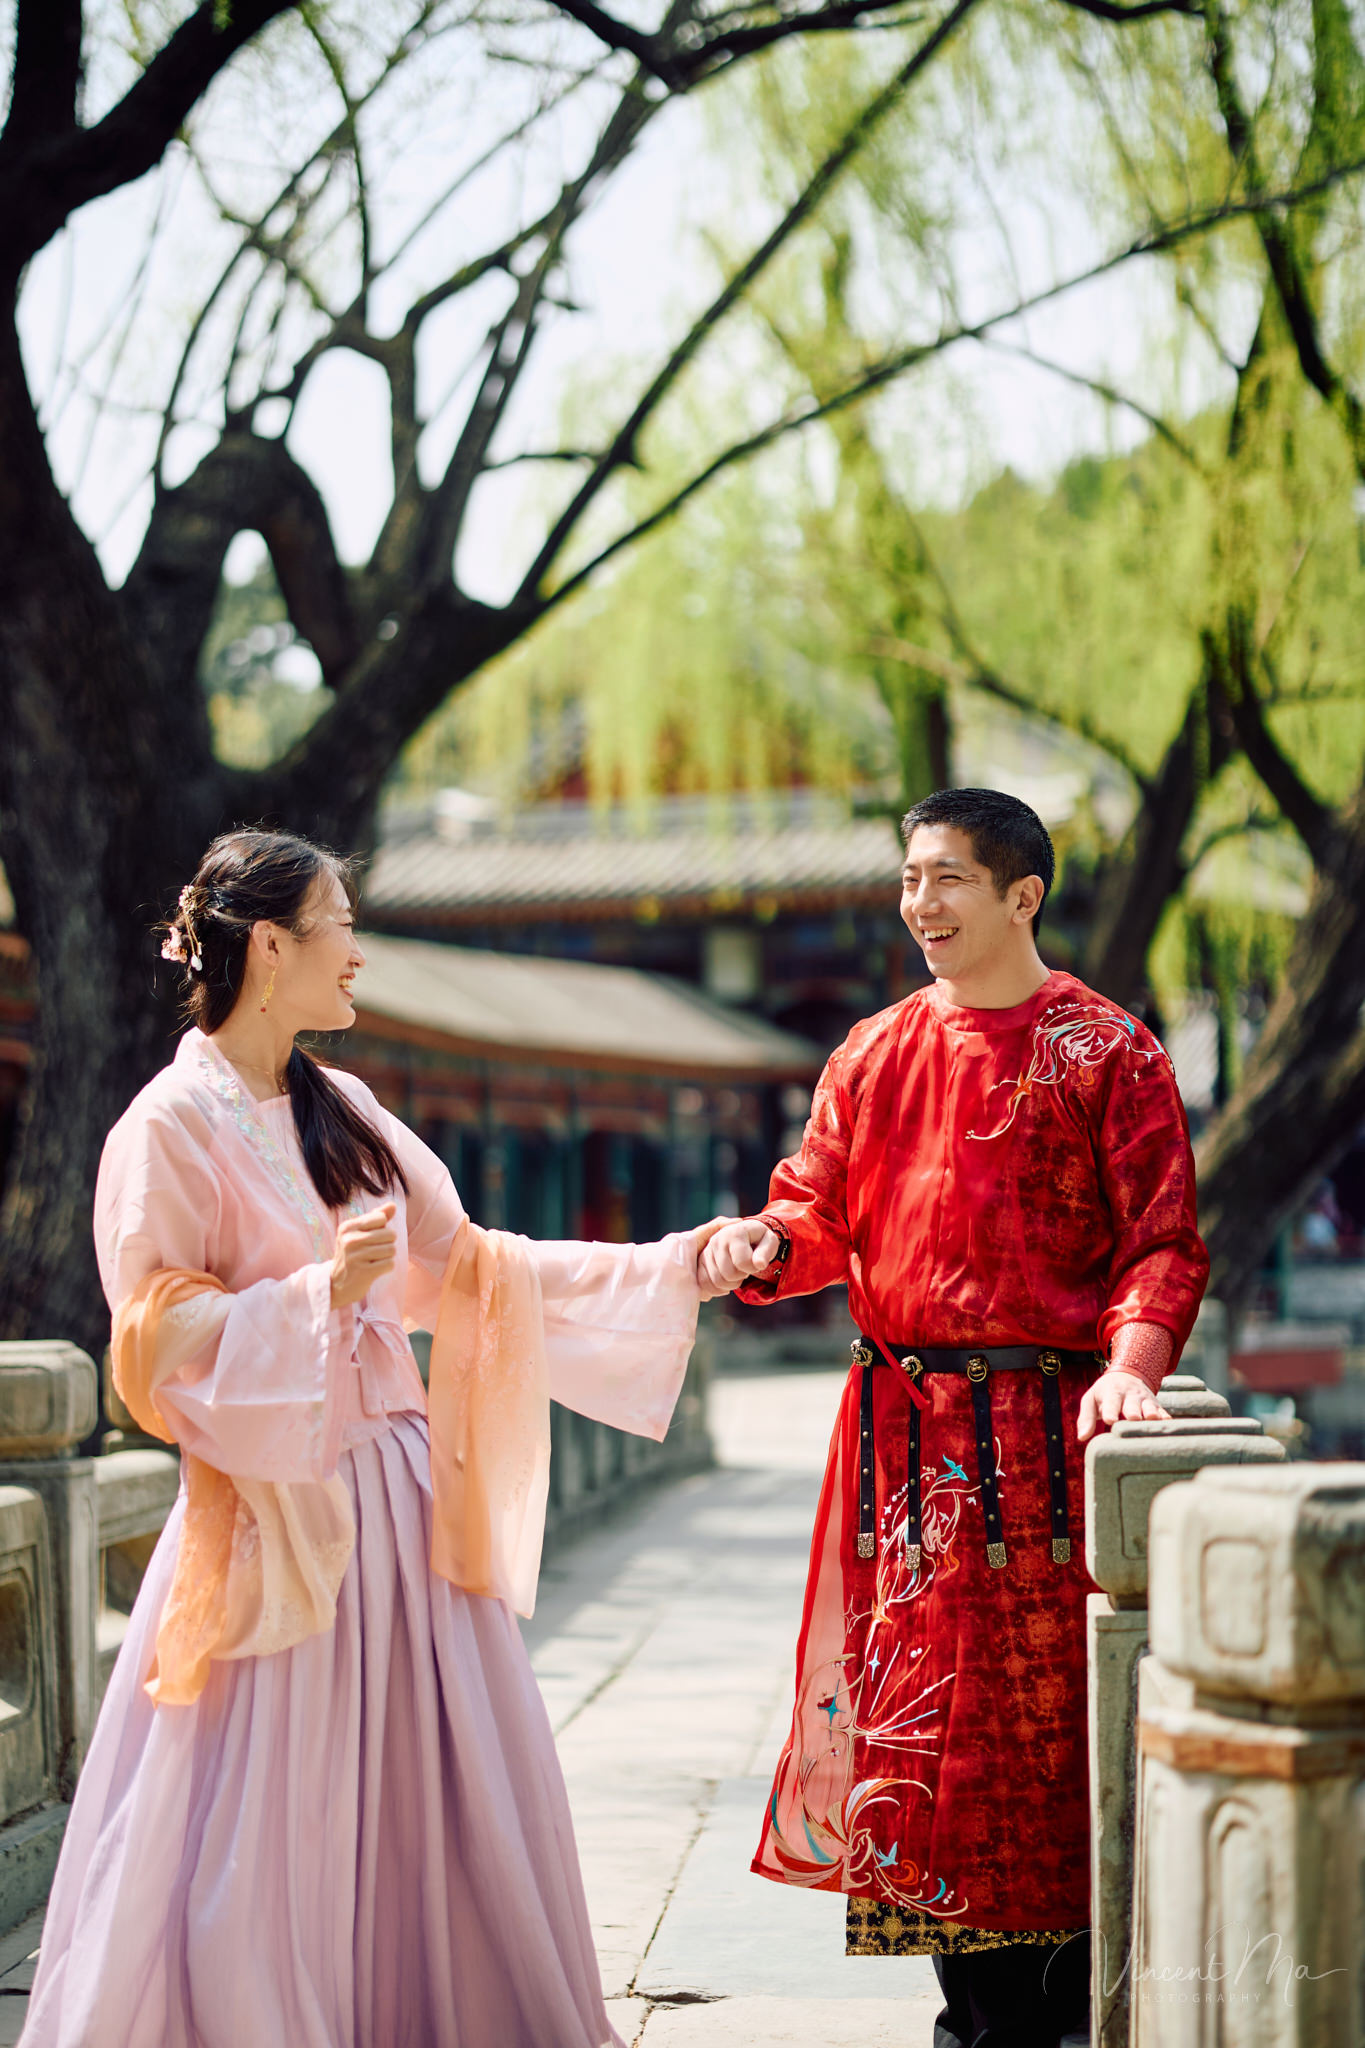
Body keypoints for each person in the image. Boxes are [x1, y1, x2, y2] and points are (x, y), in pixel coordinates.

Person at [23, 828, 724, 2048]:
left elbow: (469, 1267)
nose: (358, 949)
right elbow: (149, 1337)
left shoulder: (342, 1105)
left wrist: (677, 1266)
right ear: (274, 944)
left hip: (397, 1509)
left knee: (437, 1798)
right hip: (270, 1520)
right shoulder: (166, 1125)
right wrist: (314, 1298)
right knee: (264, 1812)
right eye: (341, 922)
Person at [701, 788, 1208, 2048]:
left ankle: (1036, 2017)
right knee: (926, 1751)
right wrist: (765, 1243)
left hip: (1040, 1450)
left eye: (948, 880)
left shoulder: (1109, 1049)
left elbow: (1162, 1243)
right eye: (910, 879)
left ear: (1021, 895)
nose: (920, 902)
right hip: (906, 1453)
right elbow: (815, 1208)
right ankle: (968, 2020)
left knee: (1038, 1751)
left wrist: (1133, 1362)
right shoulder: (871, 1053)